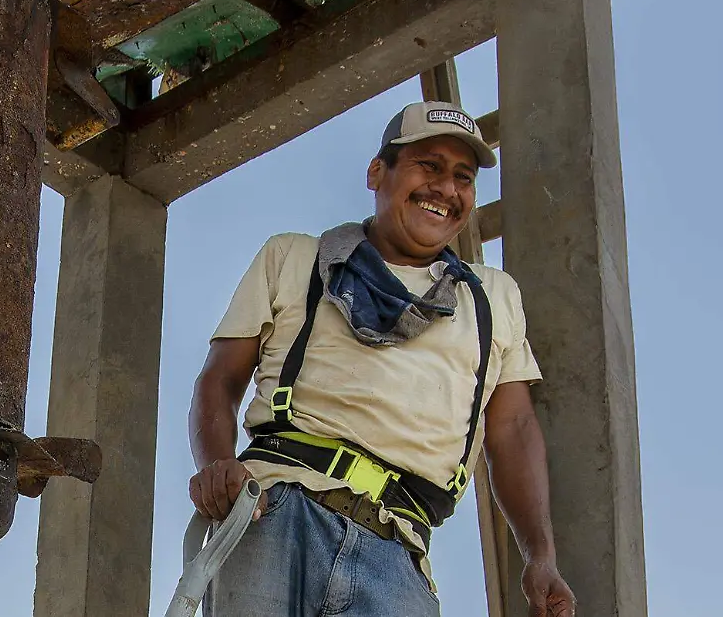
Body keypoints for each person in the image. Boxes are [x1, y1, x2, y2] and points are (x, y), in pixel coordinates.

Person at [187, 101, 577, 617]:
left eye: (463, 177)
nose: (446, 188)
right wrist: (218, 464)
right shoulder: (294, 259)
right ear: (377, 171)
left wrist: (540, 556)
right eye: (429, 166)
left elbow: (514, 429)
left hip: (401, 550)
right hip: (277, 510)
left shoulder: (491, 298)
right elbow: (220, 379)